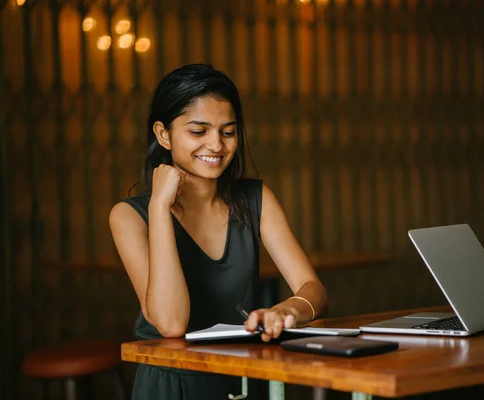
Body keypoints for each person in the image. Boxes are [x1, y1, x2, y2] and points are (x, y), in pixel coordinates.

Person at [109, 63, 328, 399]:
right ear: (163, 134)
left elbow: (313, 289)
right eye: (198, 131)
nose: (216, 145)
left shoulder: (256, 199)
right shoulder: (129, 216)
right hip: (174, 384)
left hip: (242, 377)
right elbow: (171, 323)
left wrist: (288, 309)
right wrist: (158, 207)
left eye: (228, 131)